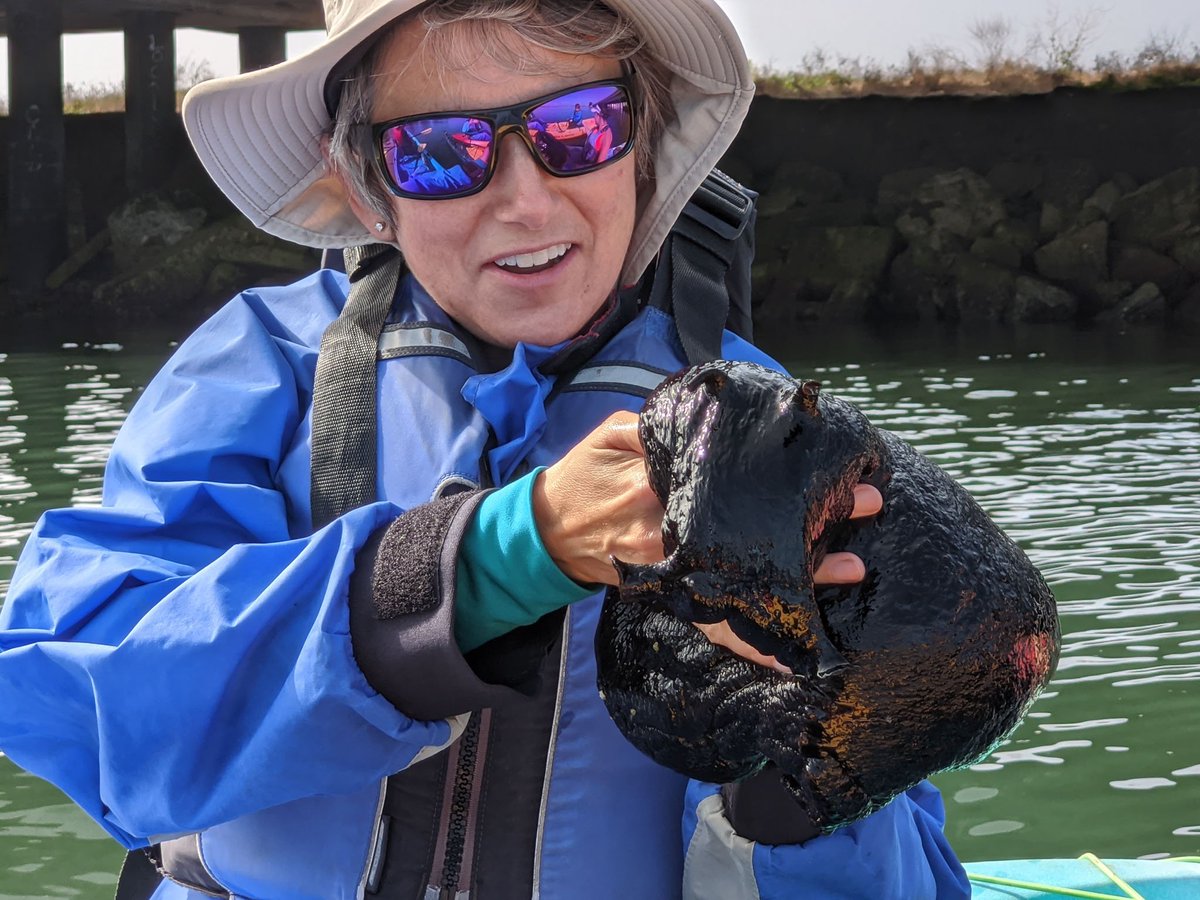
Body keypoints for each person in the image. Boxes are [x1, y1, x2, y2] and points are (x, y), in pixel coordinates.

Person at [0, 1, 970, 898]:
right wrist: (498, 559)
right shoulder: (260, 372)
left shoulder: (777, 431)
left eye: (577, 128)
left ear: (642, 141)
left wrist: (801, 770)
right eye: (441, 150)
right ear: (366, 183)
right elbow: (72, 700)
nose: (526, 203)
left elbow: (907, 865)